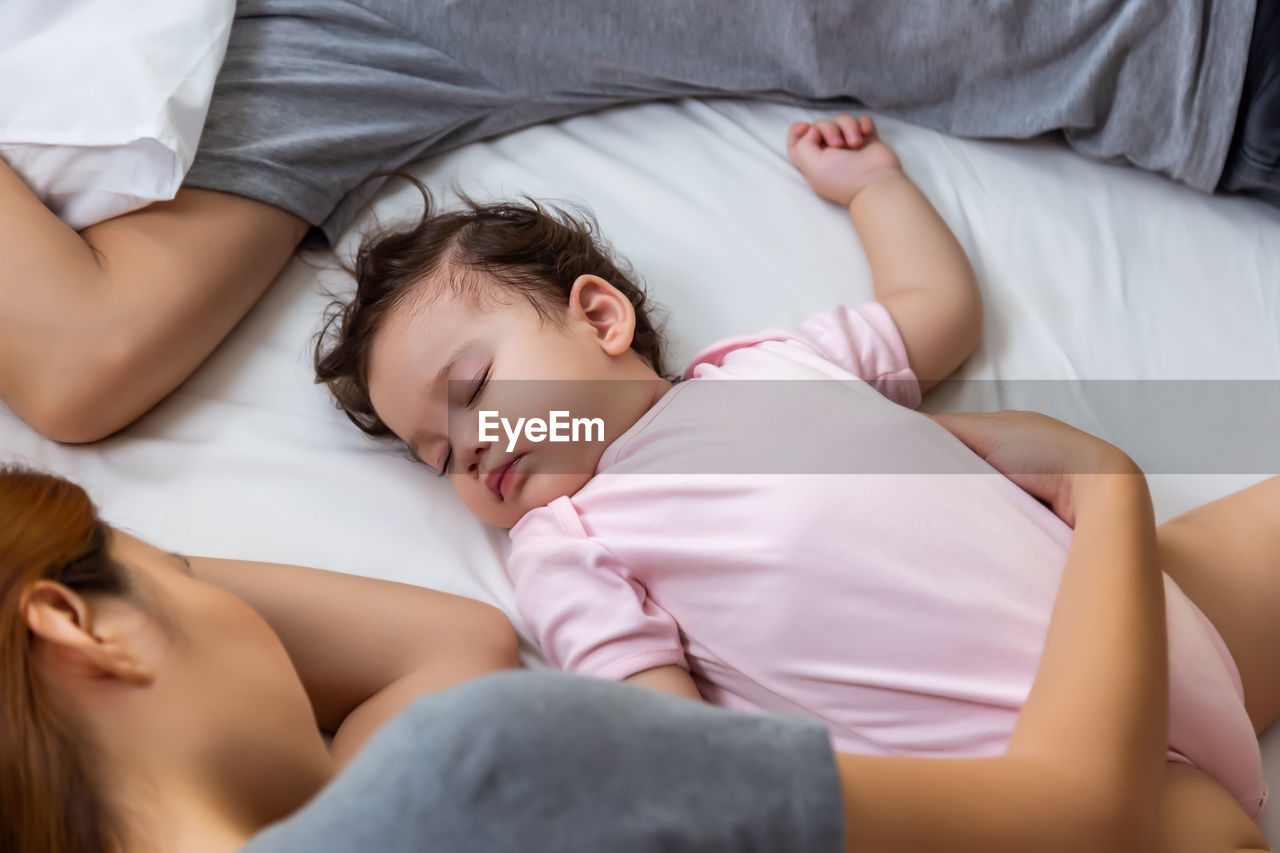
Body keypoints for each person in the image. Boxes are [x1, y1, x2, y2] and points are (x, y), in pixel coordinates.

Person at [314, 113, 1280, 843]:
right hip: (1013, 757)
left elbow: (934, 310)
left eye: (474, 389)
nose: (469, 448)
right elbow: (680, 754)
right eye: (437, 455)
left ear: (601, 317)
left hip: (1141, 589)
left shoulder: (771, 361)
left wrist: (874, 188)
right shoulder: (572, 545)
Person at [2, 403, 1268, 852]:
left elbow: (445, 649)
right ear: (75, 622)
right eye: (178, 563)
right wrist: (1102, 486)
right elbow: (1075, 816)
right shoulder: (482, 772)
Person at [1, 0, 1275, 444]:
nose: (475, 448)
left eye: (469, 407)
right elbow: (78, 356)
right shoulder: (299, 49)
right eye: (451, 436)